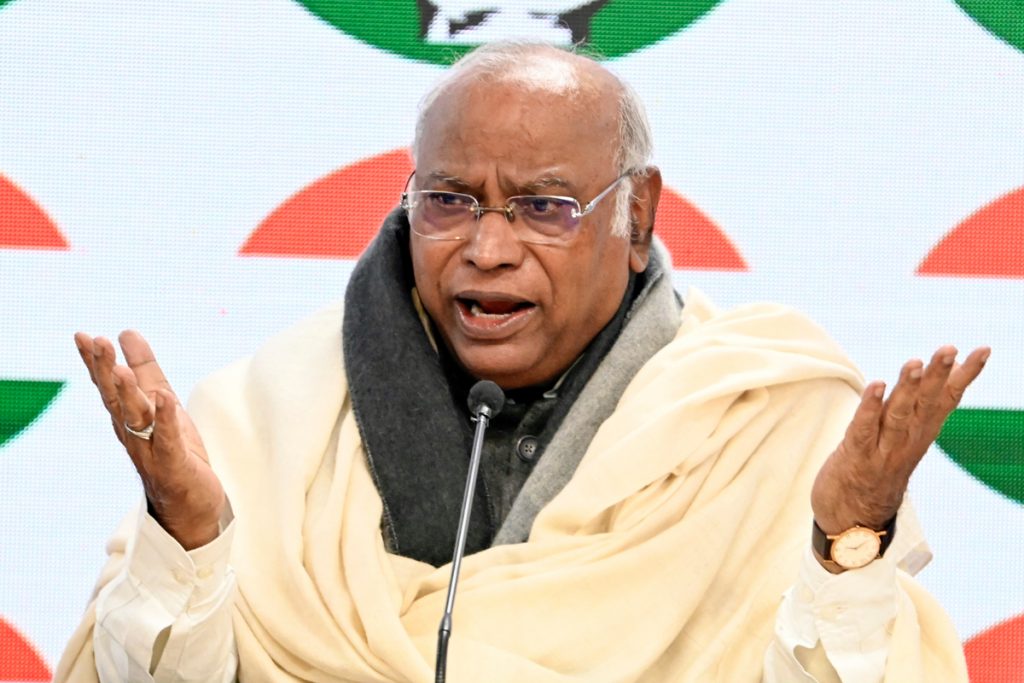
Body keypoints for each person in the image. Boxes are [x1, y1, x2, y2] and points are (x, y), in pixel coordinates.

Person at [56, 42, 989, 682]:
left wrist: (846, 544)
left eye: (544, 208)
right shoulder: (264, 421)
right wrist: (187, 537)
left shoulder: (761, 420)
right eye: (450, 200)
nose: (488, 249)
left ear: (637, 216)